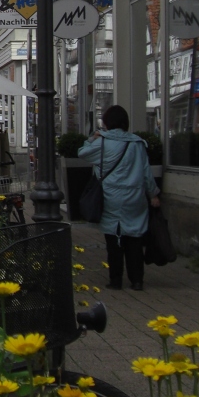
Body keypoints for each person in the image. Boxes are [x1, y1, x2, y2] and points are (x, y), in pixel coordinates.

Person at [78, 105, 159, 291]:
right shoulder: (138, 143)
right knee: (135, 238)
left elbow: (81, 153)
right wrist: (153, 194)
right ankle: (137, 280)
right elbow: (146, 174)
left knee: (113, 239)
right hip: (134, 197)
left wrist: (92, 138)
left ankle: (115, 280)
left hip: (110, 196)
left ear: (106, 123)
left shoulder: (103, 142)